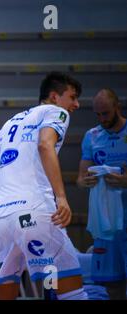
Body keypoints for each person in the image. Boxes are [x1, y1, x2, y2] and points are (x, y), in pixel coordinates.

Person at [0, 72, 87, 300]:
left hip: (2, 219)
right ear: (55, 97)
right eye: (72, 97)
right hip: (36, 210)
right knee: (73, 292)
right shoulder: (56, 112)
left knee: (3, 296)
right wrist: (62, 197)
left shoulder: (10, 123)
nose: (77, 104)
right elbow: (45, 145)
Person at [76, 88, 127, 299]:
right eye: (97, 114)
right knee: (112, 285)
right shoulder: (92, 136)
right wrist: (84, 181)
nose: (102, 119)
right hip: (106, 222)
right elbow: (80, 178)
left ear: (118, 107)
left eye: (105, 113)